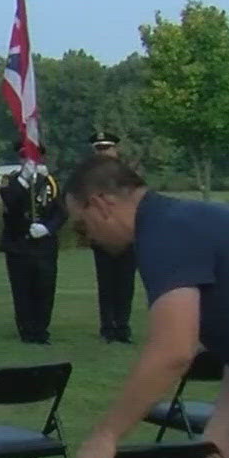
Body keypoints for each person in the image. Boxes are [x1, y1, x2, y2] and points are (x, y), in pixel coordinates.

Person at [64, 154, 229, 458]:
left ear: (102, 205)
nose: (86, 237)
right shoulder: (191, 221)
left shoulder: (164, 234)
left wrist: (106, 435)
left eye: (81, 225)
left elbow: (172, 352)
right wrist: (221, 429)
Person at [0, 150, 64, 344]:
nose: (30, 162)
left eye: (35, 158)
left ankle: (41, 329)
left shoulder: (50, 182)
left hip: (44, 246)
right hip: (19, 245)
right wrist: (24, 180)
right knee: (22, 290)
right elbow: (10, 203)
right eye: (25, 158)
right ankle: (27, 330)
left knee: (45, 289)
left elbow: (61, 212)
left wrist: (48, 228)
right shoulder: (10, 182)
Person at [88, 131, 136, 344]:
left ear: (115, 150)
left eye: (106, 148)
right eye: (99, 149)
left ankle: (123, 327)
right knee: (106, 284)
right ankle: (107, 327)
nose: (104, 153)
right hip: (103, 238)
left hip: (126, 237)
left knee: (125, 285)